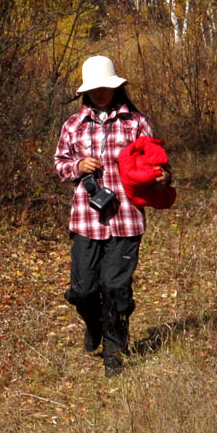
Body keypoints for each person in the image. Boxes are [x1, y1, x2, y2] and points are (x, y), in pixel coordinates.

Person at [53, 55, 171, 377]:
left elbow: (158, 163)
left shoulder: (136, 123)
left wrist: (163, 177)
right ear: (86, 92)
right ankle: (93, 322)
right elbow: (60, 164)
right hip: (85, 221)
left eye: (106, 86)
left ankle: (114, 354)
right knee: (83, 290)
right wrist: (77, 167)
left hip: (127, 219)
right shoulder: (72, 125)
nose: (101, 92)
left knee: (116, 287)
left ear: (116, 86)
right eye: (95, 88)